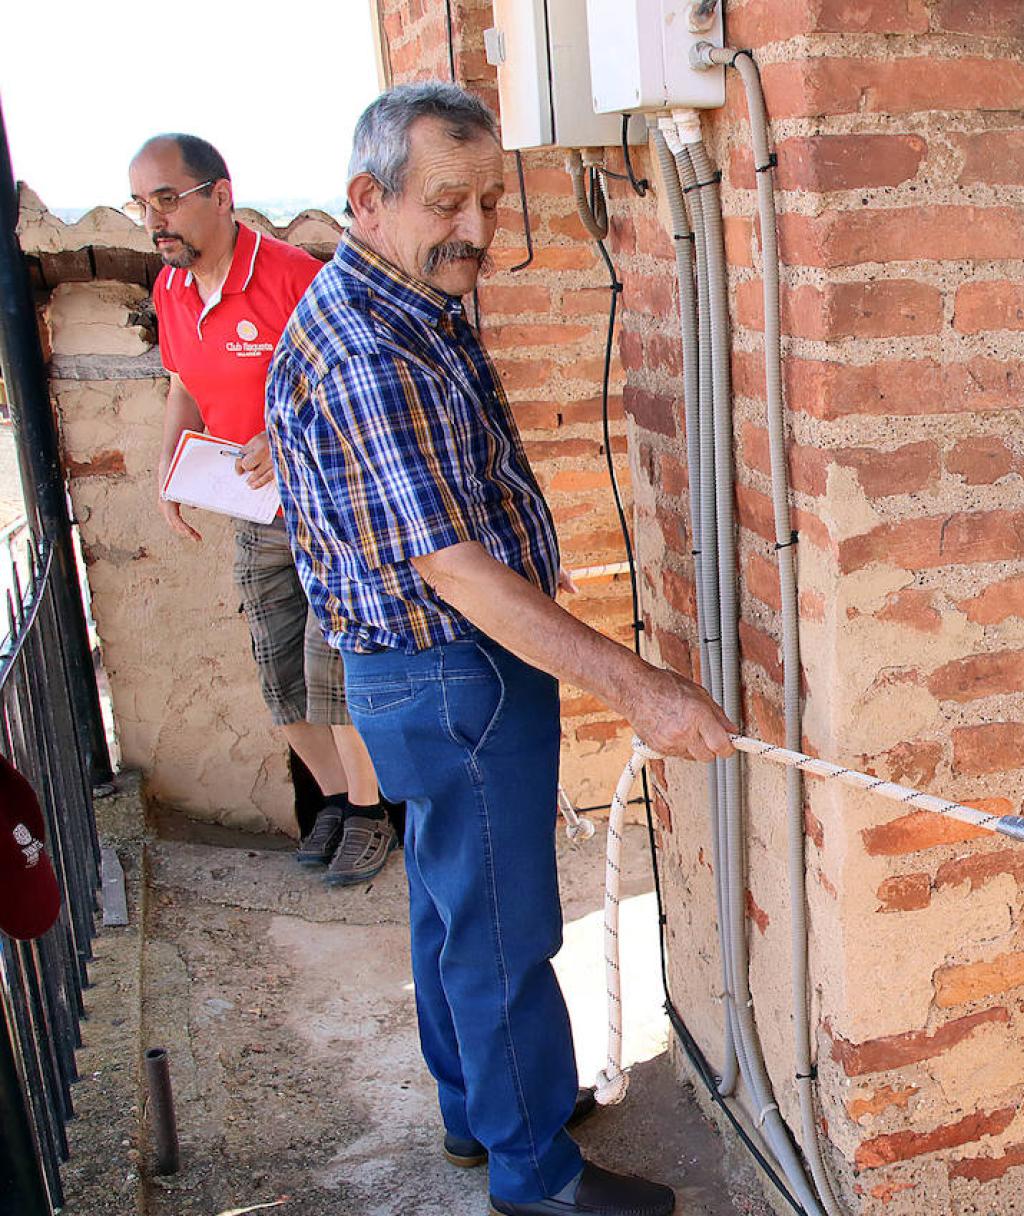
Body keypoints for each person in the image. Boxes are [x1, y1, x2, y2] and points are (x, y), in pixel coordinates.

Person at [265, 82, 734, 1216]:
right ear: (367, 200)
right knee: (504, 934)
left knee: (451, 907)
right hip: (451, 671)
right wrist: (642, 687)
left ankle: (479, 1109)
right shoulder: (372, 343)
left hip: (427, 675)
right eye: (447, 202)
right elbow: (458, 569)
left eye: (488, 199)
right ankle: (539, 1180)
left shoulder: (391, 302)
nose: (476, 230)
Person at [126, 134, 394, 885]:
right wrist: (169, 466)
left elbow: (352, 380)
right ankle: (337, 803)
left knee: (330, 670)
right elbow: (183, 384)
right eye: (142, 203)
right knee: (277, 673)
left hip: (333, 507)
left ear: (220, 194)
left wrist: (286, 435)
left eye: (168, 198)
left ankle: (372, 817)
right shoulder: (170, 290)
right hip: (254, 508)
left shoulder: (292, 277)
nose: (155, 218)